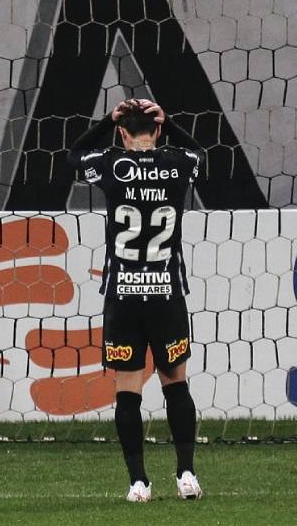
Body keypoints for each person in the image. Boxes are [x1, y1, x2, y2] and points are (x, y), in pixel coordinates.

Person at [68, 99, 205, 500]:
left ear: (123, 134)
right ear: (157, 131)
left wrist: (103, 124)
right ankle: (186, 475)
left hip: (123, 296)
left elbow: (73, 156)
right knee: (175, 384)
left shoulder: (113, 165)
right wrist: (172, 119)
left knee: (127, 391)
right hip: (166, 294)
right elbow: (202, 154)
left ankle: (138, 483)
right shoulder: (177, 164)